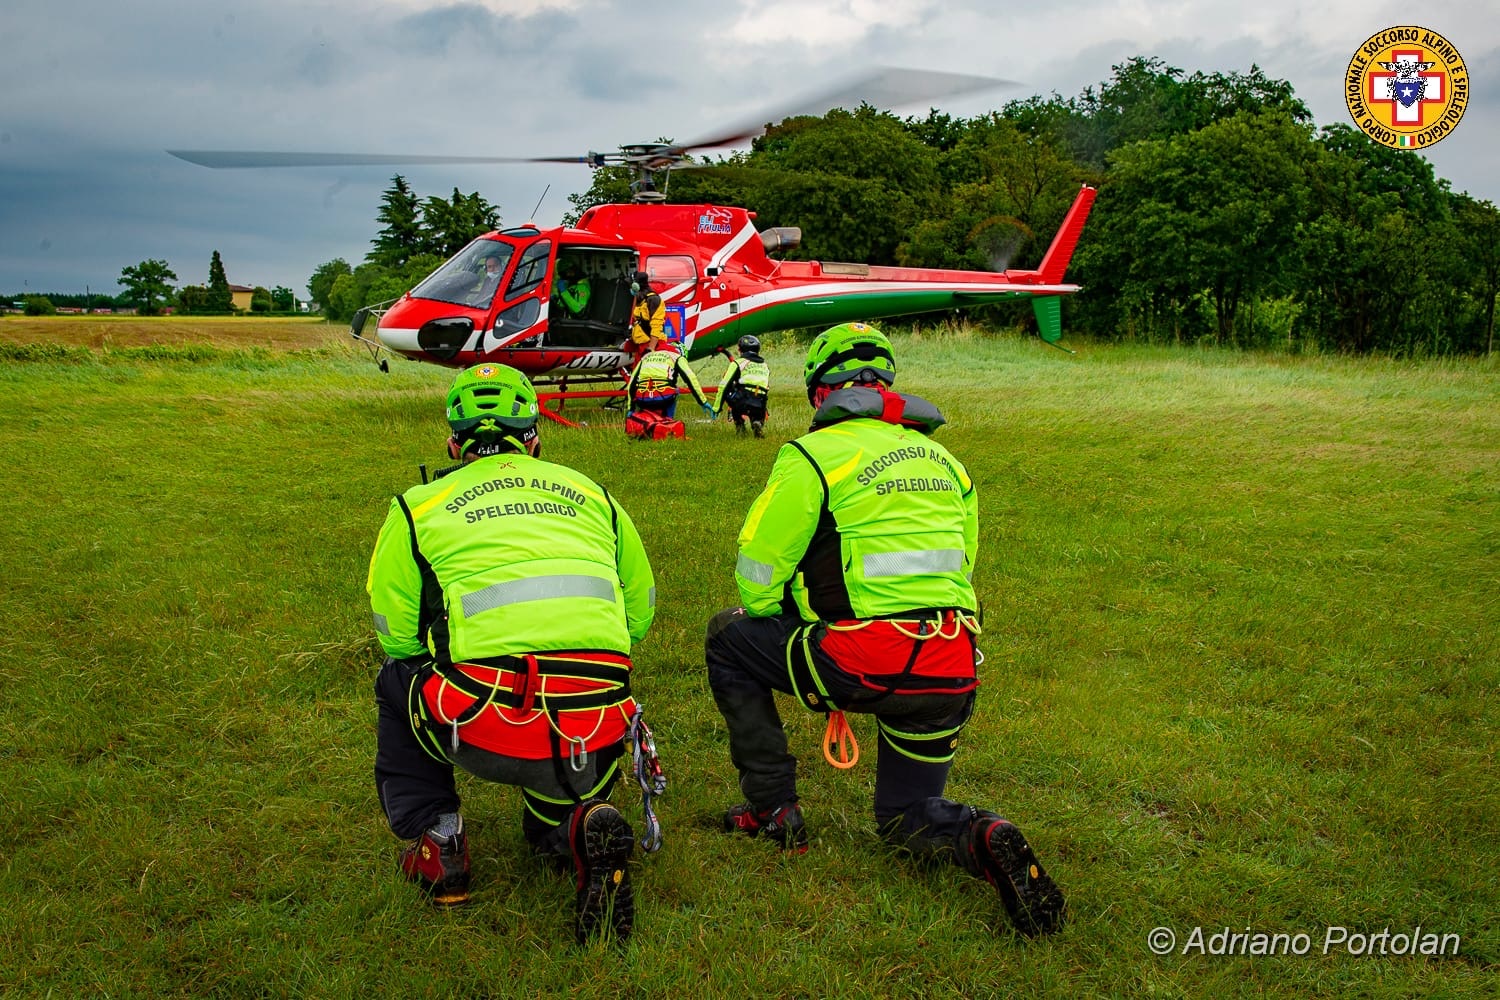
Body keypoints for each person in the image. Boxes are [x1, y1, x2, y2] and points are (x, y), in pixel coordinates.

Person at [703, 322, 1066, 937]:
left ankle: (773, 810)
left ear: (822, 393)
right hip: (950, 665)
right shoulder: (948, 462)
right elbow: (963, 565)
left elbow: (759, 577)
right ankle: (985, 833)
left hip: (861, 658)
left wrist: (797, 625)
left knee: (727, 639)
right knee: (906, 822)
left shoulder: (810, 455)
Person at [367, 363, 655, 944]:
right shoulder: (594, 495)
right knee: (555, 812)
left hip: (485, 722)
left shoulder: (416, 506)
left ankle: (440, 844)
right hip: (592, 718)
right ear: (535, 438)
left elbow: (394, 634)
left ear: (453, 441)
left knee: (396, 678)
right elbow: (639, 616)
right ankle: (574, 827)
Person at [625, 336, 714, 421]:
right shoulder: (677, 357)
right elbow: (691, 379)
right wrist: (702, 401)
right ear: (681, 352)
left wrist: (631, 408)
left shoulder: (646, 357)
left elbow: (632, 383)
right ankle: (668, 420)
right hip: (663, 398)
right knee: (675, 390)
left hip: (642, 399)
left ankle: (643, 419)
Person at [713, 334, 771, 437]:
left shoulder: (738, 363)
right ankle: (757, 422)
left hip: (743, 401)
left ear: (741, 350)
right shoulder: (764, 365)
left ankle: (740, 426)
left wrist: (717, 407)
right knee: (758, 396)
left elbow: (724, 385)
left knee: (731, 389)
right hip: (761, 403)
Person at [626, 270, 665, 364]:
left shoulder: (654, 300)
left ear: (636, 286)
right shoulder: (639, 299)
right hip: (640, 346)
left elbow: (657, 327)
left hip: (651, 346)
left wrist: (650, 349)